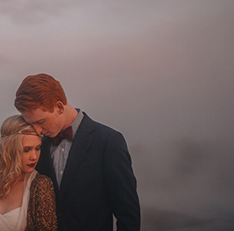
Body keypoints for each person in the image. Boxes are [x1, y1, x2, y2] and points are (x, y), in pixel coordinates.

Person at [14, 74, 141, 231]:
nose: (37, 130)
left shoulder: (109, 142)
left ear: (59, 107)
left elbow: (128, 215)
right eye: (31, 124)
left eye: (40, 121)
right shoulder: (38, 146)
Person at [0, 115, 57, 231]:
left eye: (38, 148)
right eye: (26, 150)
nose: (34, 157)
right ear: (10, 150)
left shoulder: (41, 185)